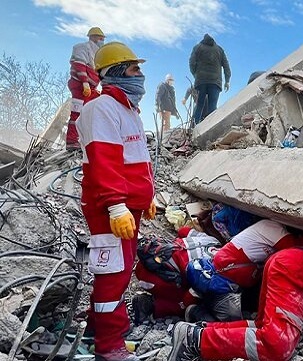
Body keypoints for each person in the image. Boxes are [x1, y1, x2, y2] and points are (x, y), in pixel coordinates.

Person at [76, 41, 155, 361]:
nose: (140, 75)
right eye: (135, 69)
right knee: (113, 274)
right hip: (109, 207)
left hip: (125, 206)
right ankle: (109, 346)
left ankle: (97, 331)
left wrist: (145, 198)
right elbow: (104, 161)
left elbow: (136, 159)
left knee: (117, 270)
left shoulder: (127, 109)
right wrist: (116, 205)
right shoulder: (101, 108)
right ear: (118, 72)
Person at [168, 235, 303, 361]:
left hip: (286, 263)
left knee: (263, 326)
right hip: (293, 268)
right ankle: (198, 341)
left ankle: (197, 332)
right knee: (277, 345)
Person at [184, 219, 303, 322]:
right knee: (228, 326)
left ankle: (198, 304)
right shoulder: (274, 228)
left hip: (228, 278)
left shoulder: (268, 226)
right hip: (226, 282)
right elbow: (296, 251)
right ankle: (196, 313)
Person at [133, 228, 228, 323]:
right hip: (151, 279)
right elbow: (191, 295)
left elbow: (183, 230)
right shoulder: (211, 272)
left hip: (151, 259)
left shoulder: (211, 240)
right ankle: (151, 306)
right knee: (180, 306)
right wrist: (183, 305)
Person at [66, 27, 105, 150]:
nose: (102, 41)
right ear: (93, 37)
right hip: (80, 87)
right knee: (76, 114)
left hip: (91, 89)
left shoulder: (97, 53)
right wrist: (85, 83)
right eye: (101, 38)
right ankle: (71, 141)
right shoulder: (82, 47)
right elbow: (79, 65)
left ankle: (91, 139)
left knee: (97, 109)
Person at [189, 34, 231, 125]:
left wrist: (195, 75)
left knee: (199, 105)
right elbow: (226, 65)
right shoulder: (219, 50)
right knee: (212, 107)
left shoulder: (198, 47)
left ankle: (193, 127)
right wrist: (227, 80)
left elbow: (191, 63)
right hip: (215, 82)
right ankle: (210, 127)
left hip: (201, 81)